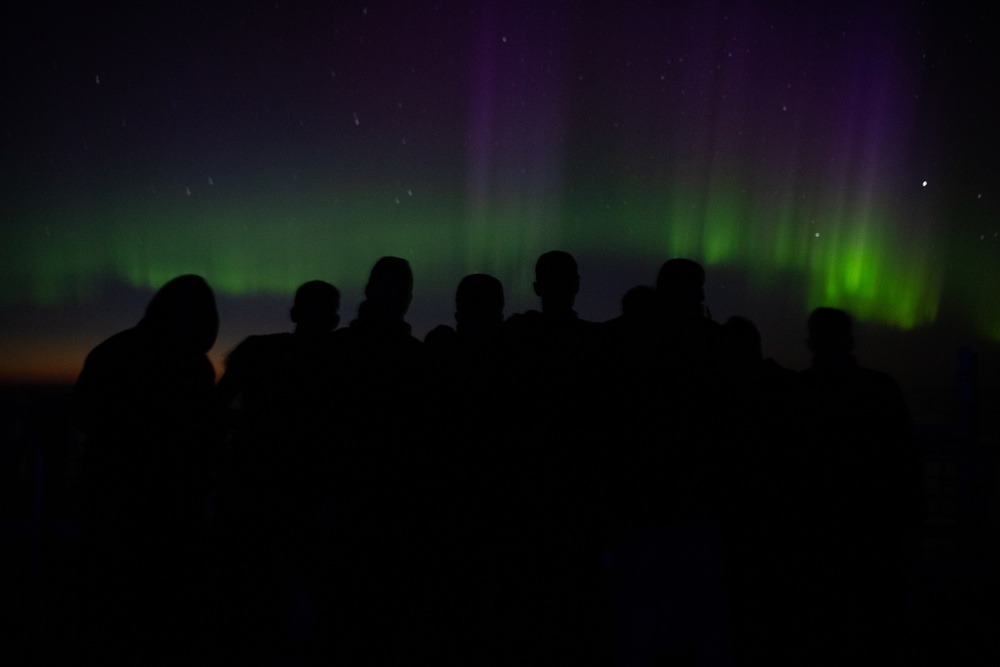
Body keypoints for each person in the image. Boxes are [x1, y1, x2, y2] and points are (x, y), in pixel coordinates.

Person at [74, 274, 219, 665]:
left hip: (168, 511)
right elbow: (88, 414)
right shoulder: (127, 354)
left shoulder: (194, 367)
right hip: (126, 509)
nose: (192, 318)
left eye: (199, 311)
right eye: (187, 308)